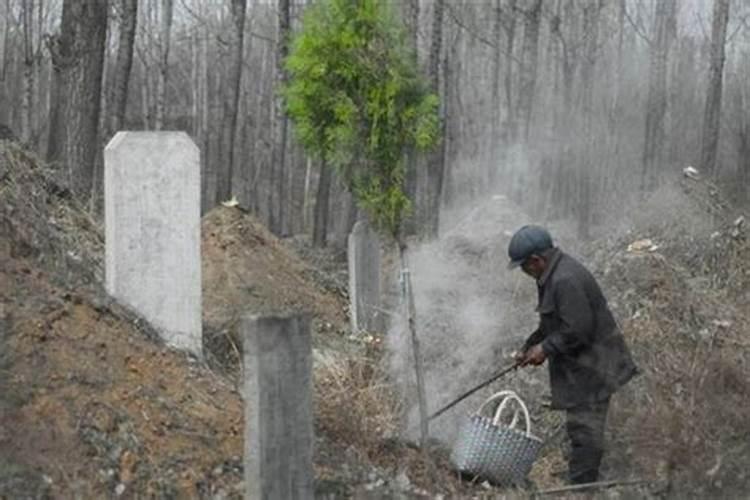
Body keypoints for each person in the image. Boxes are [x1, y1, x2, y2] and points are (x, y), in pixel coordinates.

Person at [508, 225, 637, 485]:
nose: (523, 272)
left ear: (536, 260)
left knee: (585, 430)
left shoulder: (564, 279)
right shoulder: (551, 274)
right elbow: (552, 325)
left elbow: (577, 329)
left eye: (524, 266)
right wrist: (528, 346)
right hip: (586, 366)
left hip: (597, 367)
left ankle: (581, 488)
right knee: (580, 427)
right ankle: (579, 477)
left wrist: (544, 349)